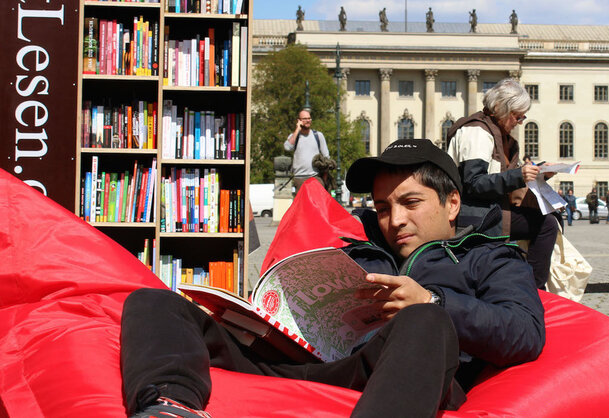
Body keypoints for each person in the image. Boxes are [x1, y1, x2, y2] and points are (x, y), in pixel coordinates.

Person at [120, 139, 546, 418]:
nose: (395, 220)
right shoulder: (356, 249)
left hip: (397, 373)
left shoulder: (488, 257)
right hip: (305, 362)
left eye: (410, 202)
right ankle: (168, 405)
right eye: (382, 207)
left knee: (424, 322)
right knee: (154, 300)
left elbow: (525, 332)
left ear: (452, 203)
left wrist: (433, 303)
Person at [446, 78, 559, 289]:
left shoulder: (498, 135)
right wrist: (519, 175)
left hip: (490, 209)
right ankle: (533, 288)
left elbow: (501, 178)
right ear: (500, 108)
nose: (520, 122)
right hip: (475, 215)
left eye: (522, 116)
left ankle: (530, 285)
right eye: (517, 116)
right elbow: (473, 183)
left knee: (549, 220)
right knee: (547, 225)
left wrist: (541, 172)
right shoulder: (477, 132)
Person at [284, 109, 329, 195]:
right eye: (304, 119)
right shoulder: (294, 136)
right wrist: (297, 129)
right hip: (299, 178)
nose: (308, 120)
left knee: (318, 206)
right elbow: (287, 147)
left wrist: (324, 178)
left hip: (315, 177)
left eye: (309, 118)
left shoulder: (318, 136)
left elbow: (326, 157)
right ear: (299, 120)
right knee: (303, 207)